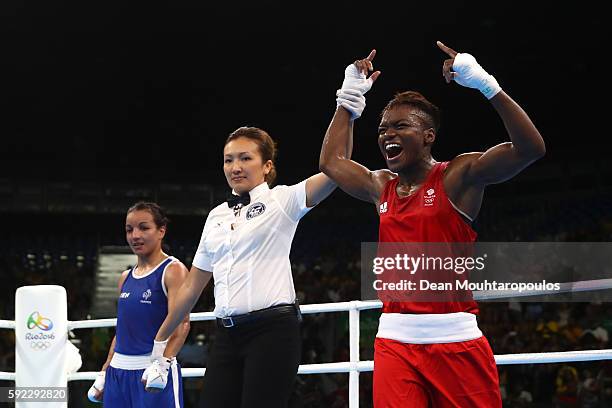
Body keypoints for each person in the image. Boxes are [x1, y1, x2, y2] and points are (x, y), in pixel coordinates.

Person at [319, 42, 546, 407]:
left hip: (456, 340)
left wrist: (488, 86)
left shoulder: (459, 176)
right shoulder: (381, 186)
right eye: (382, 129)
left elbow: (530, 149)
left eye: (400, 127)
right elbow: (332, 162)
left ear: (428, 137)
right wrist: (346, 103)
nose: (387, 135)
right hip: (395, 342)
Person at [142, 126, 338, 407]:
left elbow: (334, 169)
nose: (235, 167)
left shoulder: (282, 200)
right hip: (226, 336)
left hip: (272, 333)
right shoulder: (215, 216)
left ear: (267, 166)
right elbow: (191, 287)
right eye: (229, 159)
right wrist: (160, 348)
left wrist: (348, 103)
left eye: (245, 158)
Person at [87, 201, 190, 407]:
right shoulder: (125, 277)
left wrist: (162, 363)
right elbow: (122, 330)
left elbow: (182, 324)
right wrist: (105, 370)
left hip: (152, 369)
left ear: (161, 231)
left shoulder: (173, 270)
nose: (135, 235)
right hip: (118, 372)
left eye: (144, 228)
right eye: (129, 229)